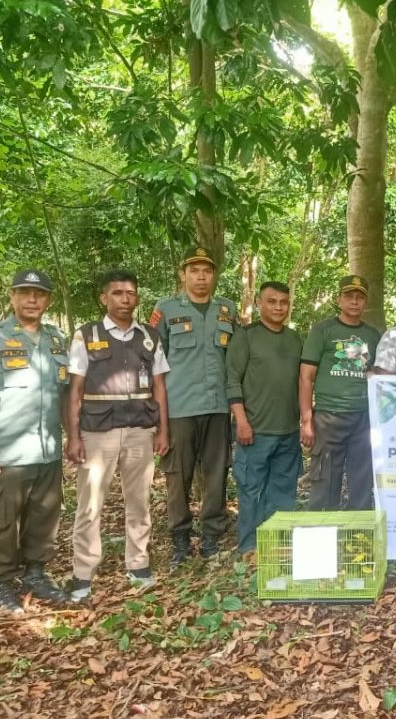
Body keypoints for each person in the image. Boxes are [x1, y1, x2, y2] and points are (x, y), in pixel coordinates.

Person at [0, 269, 71, 612]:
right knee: (1, 522)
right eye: (24, 293)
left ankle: (36, 574)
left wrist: (73, 437)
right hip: (6, 452)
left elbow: (66, 395)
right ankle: (2, 585)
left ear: (48, 300)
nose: (32, 299)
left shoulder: (57, 340)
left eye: (39, 294)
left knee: (44, 516)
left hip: (47, 450)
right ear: (12, 296)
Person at [67, 270, 169, 601]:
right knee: (90, 504)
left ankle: (138, 564)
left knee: (139, 500)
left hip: (140, 429)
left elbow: (159, 386)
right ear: (104, 298)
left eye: (130, 293)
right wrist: (73, 435)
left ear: (137, 297)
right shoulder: (86, 335)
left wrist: (163, 429)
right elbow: (76, 389)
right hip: (97, 432)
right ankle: (83, 573)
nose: (125, 299)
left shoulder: (149, 336)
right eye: (117, 293)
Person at [148, 246, 238, 563]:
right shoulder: (167, 309)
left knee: (216, 473)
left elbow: (235, 360)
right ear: (183, 274)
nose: (201, 277)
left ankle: (211, 534)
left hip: (217, 407)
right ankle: (180, 539)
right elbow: (153, 361)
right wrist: (157, 416)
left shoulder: (227, 310)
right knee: (178, 476)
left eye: (207, 271)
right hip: (179, 408)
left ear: (214, 275)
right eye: (194, 271)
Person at [226, 281, 302, 554]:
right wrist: (242, 421)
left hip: (288, 431)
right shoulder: (245, 337)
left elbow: (303, 382)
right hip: (255, 430)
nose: (279, 307)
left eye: (284, 302)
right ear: (260, 303)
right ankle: (249, 548)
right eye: (272, 301)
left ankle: (277, 547)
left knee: (283, 491)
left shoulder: (295, 339)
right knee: (251, 492)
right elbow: (232, 380)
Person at [300, 275, 382, 509]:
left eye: (359, 297)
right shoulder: (324, 330)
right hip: (329, 416)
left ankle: (357, 538)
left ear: (365, 302)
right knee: (325, 479)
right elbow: (306, 376)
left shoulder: (373, 335)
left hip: (363, 417)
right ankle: (321, 533)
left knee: (362, 480)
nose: (354, 302)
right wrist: (307, 419)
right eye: (349, 296)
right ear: (339, 299)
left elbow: (376, 373)